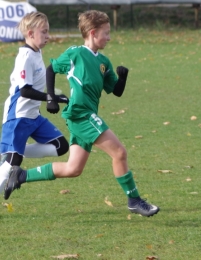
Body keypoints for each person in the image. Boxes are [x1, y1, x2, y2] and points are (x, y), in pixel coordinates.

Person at [4, 10, 160, 217]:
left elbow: (116, 91)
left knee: (73, 169)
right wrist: (51, 96)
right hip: (80, 114)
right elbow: (51, 69)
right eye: (106, 33)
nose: (109, 37)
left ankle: (22, 175)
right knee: (119, 152)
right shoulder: (76, 53)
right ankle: (134, 200)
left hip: (85, 115)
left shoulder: (103, 61)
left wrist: (122, 78)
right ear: (93, 33)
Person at [0, 11, 69, 193]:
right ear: (30, 33)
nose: (48, 36)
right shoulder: (25, 57)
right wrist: (50, 97)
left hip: (34, 117)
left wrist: (52, 96)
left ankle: (12, 151)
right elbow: (25, 90)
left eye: (48, 31)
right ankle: (11, 154)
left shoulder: (37, 51)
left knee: (61, 145)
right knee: (10, 168)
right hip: (18, 116)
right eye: (44, 32)